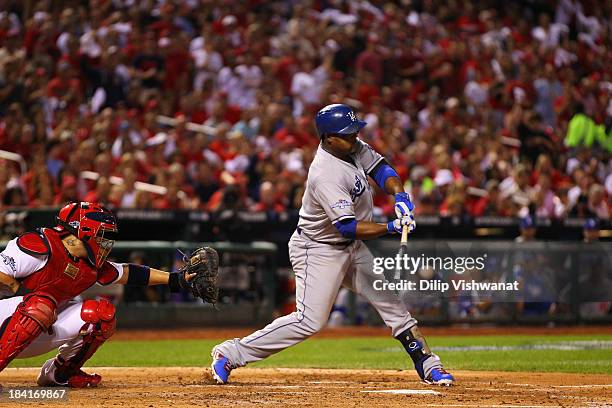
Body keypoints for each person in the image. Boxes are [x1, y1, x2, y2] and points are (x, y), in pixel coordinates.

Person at [210, 104, 455, 386]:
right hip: (318, 249)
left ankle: (427, 363)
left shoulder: (350, 146)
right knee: (309, 321)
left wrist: (399, 196)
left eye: (354, 133)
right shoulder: (324, 173)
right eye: (347, 135)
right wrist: (390, 226)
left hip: (351, 247)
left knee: (391, 304)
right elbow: (347, 226)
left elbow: (381, 169)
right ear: (328, 138)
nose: (354, 138)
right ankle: (230, 353)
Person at [0, 201, 212, 387]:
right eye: (101, 235)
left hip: (38, 325)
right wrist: (28, 297)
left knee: (101, 314)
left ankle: (60, 374)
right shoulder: (39, 243)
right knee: (41, 305)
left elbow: (128, 273)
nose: (105, 242)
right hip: (8, 318)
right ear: (81, 231)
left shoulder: (90, 264)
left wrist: (175, 279)